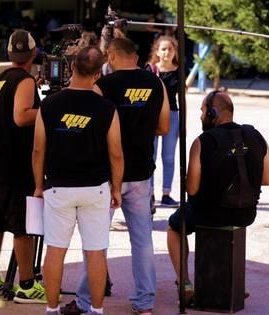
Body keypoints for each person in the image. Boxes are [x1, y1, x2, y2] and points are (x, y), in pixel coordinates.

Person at [70, 38, 169, 315]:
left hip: (107, 175)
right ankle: (145, 302)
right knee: (143, 240)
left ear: (111, 55)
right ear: (135, 56)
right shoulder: (156, 83)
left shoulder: (103, 85)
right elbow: (163, 127)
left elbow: (89, 127)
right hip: (141, 171)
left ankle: (85, 300)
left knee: (96, 241)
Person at [33, 47, 124, 315]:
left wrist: (38, 185)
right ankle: (97, 310)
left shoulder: (49, 104)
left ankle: (51, 309)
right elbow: (116, 153)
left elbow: (38, 149)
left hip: (58, 187)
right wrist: (117, 188)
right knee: (95, 251)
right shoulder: (107, 108)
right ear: (97, 75)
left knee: (55, 251)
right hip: (95, 188)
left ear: (71, 67)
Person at [167, 91, 269, 306]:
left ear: (212, 113)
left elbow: (192, 189)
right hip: (245, 213)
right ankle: (231, 282)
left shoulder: (203, 142)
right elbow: (267, 179)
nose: (201, 116)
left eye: (203, 111)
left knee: (174, 227)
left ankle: (185, 283)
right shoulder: (256, 136)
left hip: (209, 213)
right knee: (225, 224)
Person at [0, 29, 47, 303]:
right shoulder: (25, 80)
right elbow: (21, 116)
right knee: (22, 225)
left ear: (9, 53)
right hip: (15, 163)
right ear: (33, 53)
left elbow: (9, 108)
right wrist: (50, 109)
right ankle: (27, 285)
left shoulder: (0, 79)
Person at [147, 36, 182, 207]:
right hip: (152, 116)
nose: (167, 52)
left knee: (168, 157)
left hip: (172, 115)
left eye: (170, 49)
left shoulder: (179, 71)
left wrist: (183, 124)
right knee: (150, 156)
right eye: (163, 49)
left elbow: (182, 99)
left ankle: (166, 193)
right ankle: (150, 193)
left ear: (175, 52)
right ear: (157, 52)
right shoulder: (150, 70)